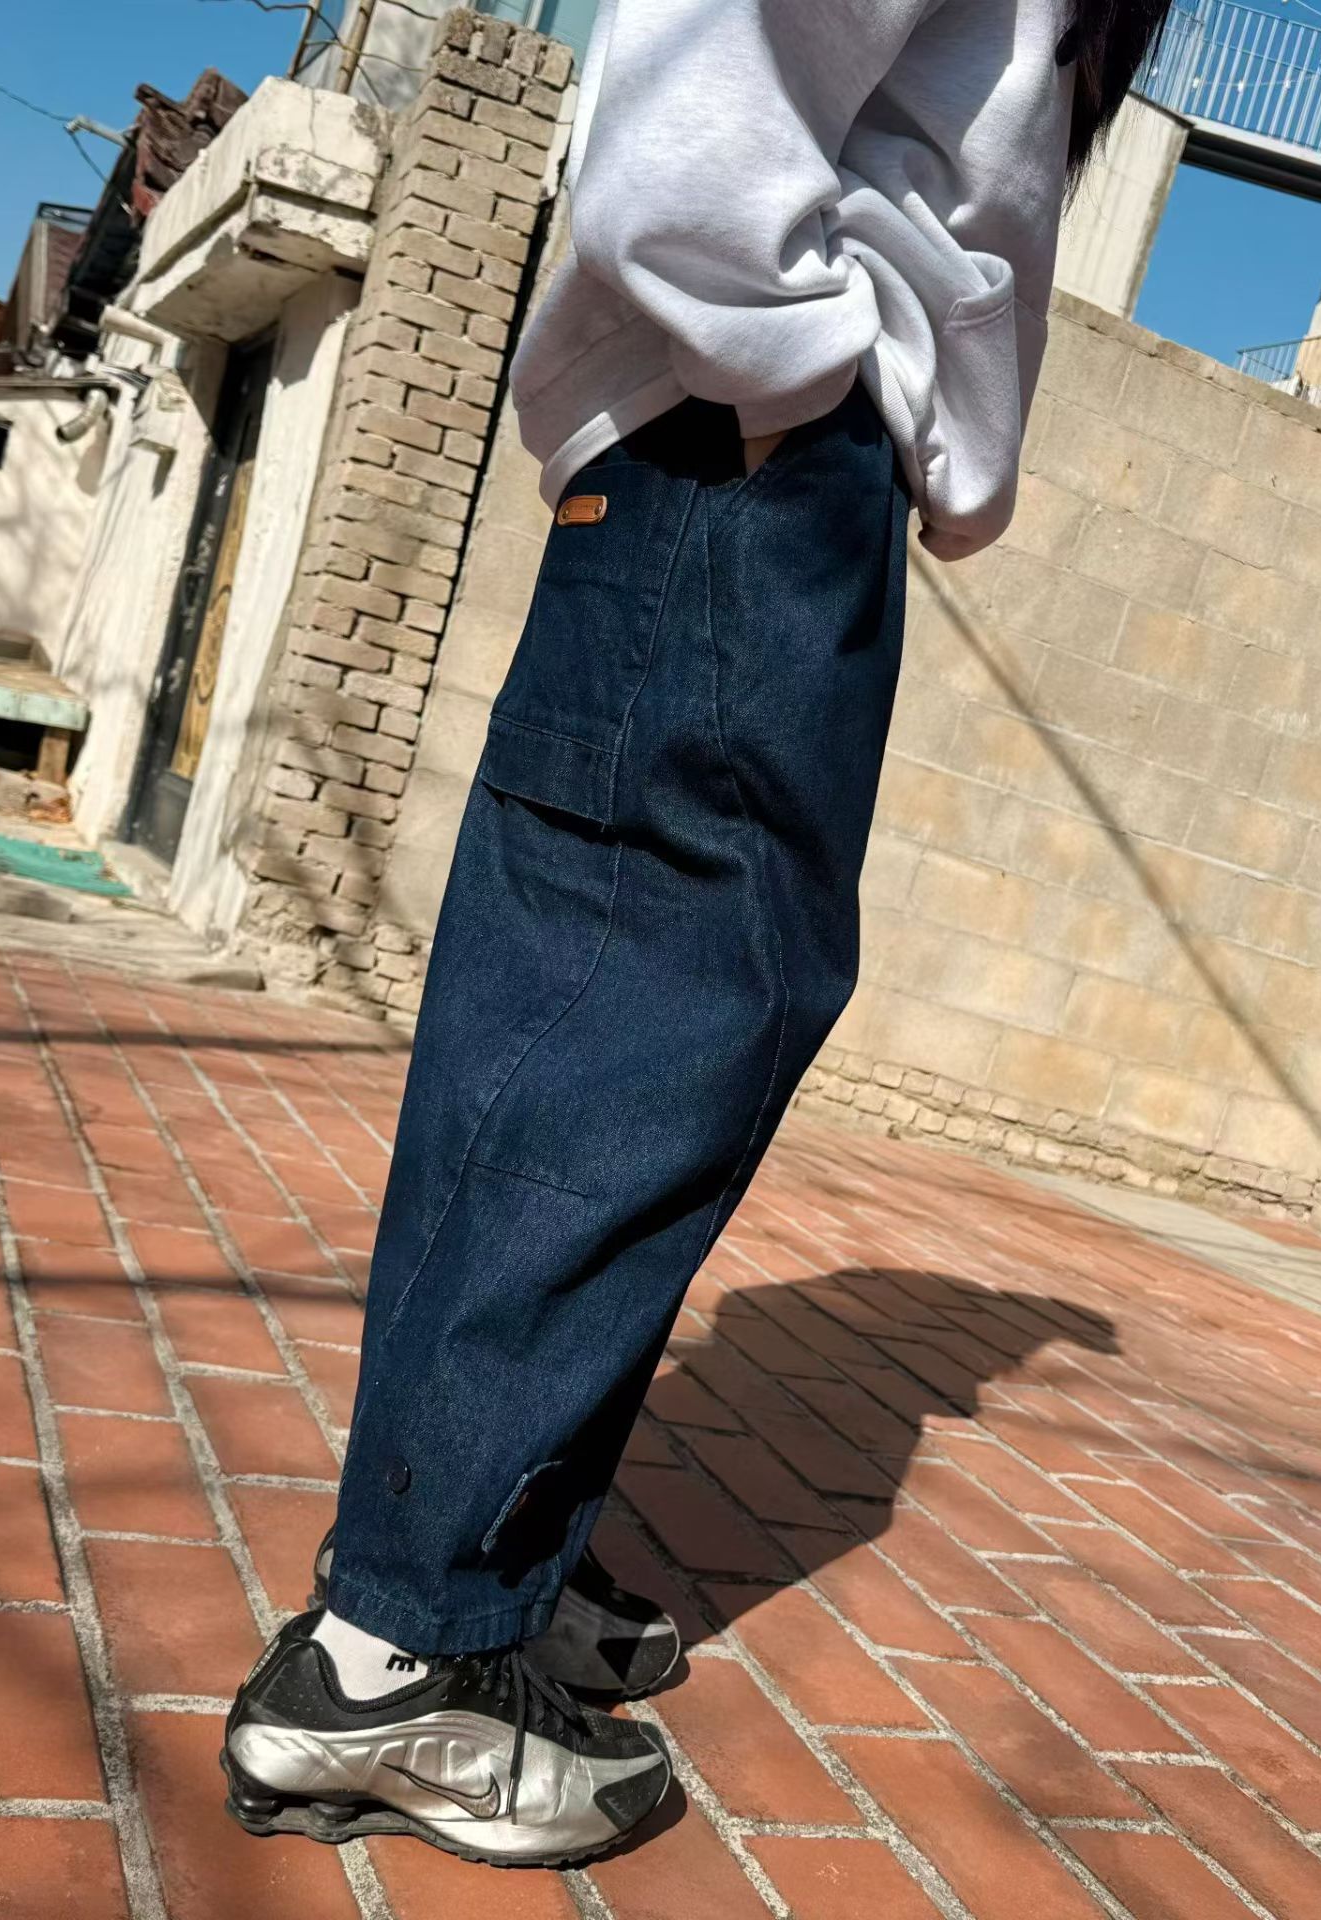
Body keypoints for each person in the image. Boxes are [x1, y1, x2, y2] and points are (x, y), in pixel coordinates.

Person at [222, 0, 1173, 1868]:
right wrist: (811, 386)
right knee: (640, 1021)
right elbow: (696, 123)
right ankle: (398, 1653)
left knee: (596, 1016)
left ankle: (485, 1564)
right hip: (758, 450)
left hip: (741, 449)